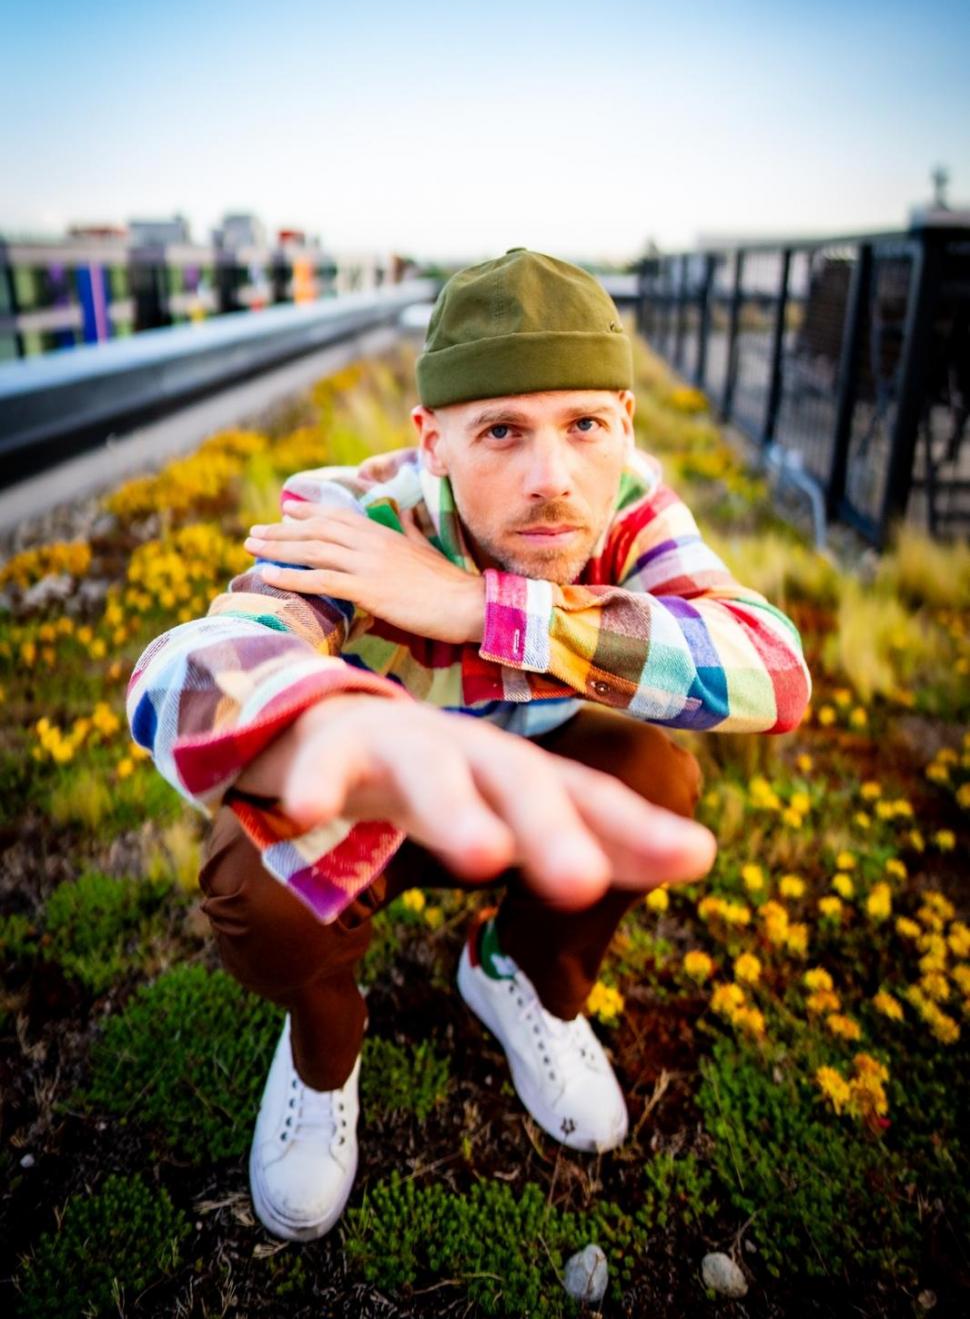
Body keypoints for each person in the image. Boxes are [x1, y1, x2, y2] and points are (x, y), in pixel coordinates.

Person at [126, 246, 812, 1244]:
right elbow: (182, 666)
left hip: (521, 795)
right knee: (255, 884)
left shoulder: (630, 507)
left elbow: (773, 667)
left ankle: (513, 973)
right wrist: (325, 717)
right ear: (432, 441)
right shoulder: (357, 515)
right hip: (370, 810)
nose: (551, 480)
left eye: (583, 425)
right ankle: (324, 1048)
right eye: (501, 431)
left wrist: (481, 608)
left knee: (656, 780)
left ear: (624, 421)